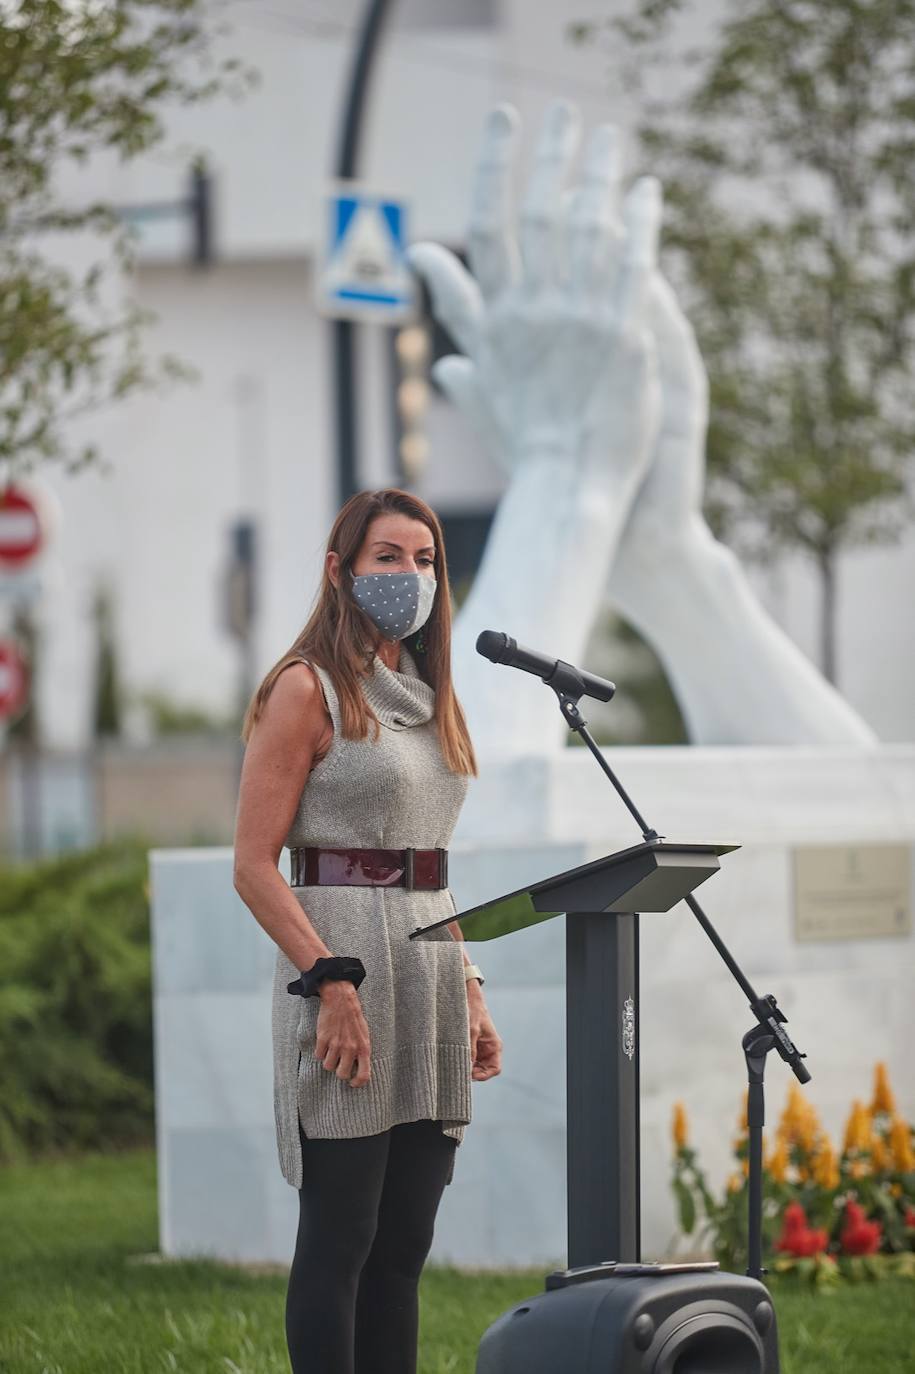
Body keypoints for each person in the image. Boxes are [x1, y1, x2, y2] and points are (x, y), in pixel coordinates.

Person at [233, 487, 503, 1374]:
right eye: (388, 557)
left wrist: (470, 989)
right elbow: (254, 864)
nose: (410, 576)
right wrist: (331, 983)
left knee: (402, 1250)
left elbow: (429, 860)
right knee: (342, 1240)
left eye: (425, 560)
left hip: (428, 973)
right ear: (340, 570)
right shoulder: (303, 689)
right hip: (342, 967)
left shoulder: (431, 699)